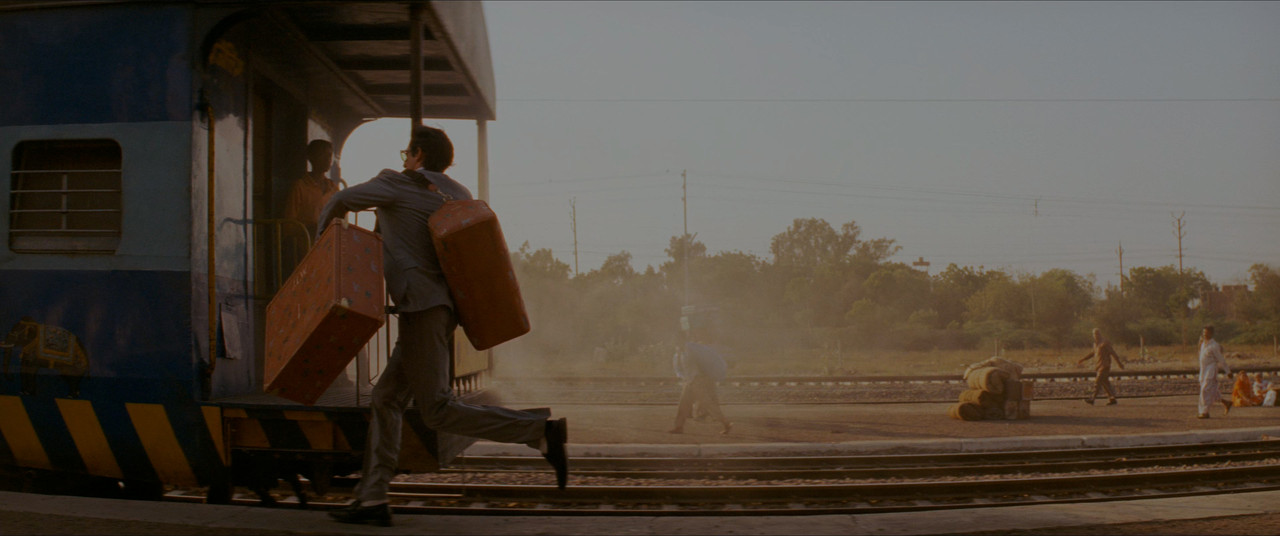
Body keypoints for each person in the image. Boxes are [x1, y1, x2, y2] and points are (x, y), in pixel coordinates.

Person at [319, 126, 567, 526]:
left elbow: (341, 200)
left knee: (435, 409)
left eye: (406, 153)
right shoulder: (459, 194)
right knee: (386, 398)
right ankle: (372, 499)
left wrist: (318, 248)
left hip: (421, 307)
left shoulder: (396, 183)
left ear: (417, 154)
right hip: (444, 308)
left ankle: (537, 430)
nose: (404, 159)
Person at [668, 321, 732, 435]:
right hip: (689, 382)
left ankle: (726, 423)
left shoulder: (692, 349)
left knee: (708, 404)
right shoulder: (679, 352)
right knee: (683, 404)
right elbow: (679, 368)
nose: (674, 341)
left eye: (676, 339)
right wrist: (684, 378)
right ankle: (679, 427)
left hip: (698, 381)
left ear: (681, 339)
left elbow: (705, 362)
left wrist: (706, 376)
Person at [284, 139, 340, 242]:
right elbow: (288, 225)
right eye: (322, 154)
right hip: (306, 245)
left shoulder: (333, 188)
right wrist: (310, 230)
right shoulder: (300, 187)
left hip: (329, 243)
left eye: (329, 155)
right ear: (311, 157)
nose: (327, 159)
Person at [1076, 328, 1126, 406]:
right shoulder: (1095, 344)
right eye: (1094, 334)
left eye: (1097, 333)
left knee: (1098, 381)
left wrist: (1119, 363)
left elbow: (1113, 353)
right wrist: (1083, 359)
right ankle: (1112, 398)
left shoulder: (1105, 343)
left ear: (1100, 334)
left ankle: (1092, 399)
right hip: (1098, 366)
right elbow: (1093, 353)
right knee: (1105, 383)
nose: (1096, 335)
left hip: (1105, 366)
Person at [1196, 324, 1232, 419]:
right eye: (1204, 333)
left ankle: (1204, 412)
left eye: (1207, 333)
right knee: (1212, 390)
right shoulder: (1203, 344)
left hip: (1211, 369)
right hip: (1203, 369)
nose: (1205, 335)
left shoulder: (1214, 345)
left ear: (1211, 333)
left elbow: (1221, 359)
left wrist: (1228, 371)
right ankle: (1226, 402)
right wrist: (1199, 345)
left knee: (1205, 390)